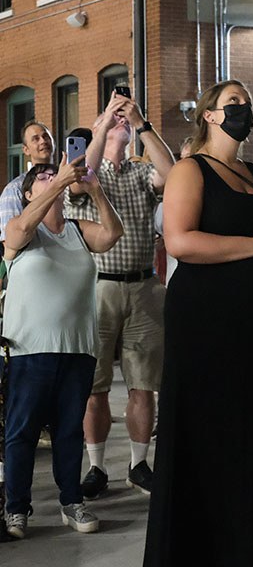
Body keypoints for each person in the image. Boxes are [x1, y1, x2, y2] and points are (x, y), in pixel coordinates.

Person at [143, 79, 253, 567]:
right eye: (234, 102)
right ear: (209, 115)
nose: (243, 110)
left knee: (252, 429)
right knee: (208, 430)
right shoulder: (191, 170)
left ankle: (250, 543)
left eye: (247, 103)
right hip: (206, 321)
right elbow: (180, 242)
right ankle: (204, 549)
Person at [1, 158, 123, 539]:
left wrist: (95, 190)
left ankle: (71, 500)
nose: (52, 177)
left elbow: (112, 234)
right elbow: (18, 231)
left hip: (77, 348)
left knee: (69, 430)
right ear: (27, 193)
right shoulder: (21, 231)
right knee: (21, 432)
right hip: (29, 350)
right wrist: (59, 184)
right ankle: (17, 508)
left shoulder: (77, 230)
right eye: (41, 176)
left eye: (55, 172)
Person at [65, 90, 175, 499]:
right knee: (95, 386)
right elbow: (82, 175)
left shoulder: (140, 171)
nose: (119, 123)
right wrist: (104, 123)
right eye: (111, 121)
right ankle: (96, 466)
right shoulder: (91, 171)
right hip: (98, 287)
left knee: (143, 383)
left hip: (143, 285)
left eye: (122, 121)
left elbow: (173, 173)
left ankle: (138, 463)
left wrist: (141, 123)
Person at [0, 120, 55, 241]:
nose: (43, 141)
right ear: (26, 150)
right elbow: (9, 241)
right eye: (36, 139)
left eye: (46, 136)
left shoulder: (66, 180)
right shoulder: (14, 189)